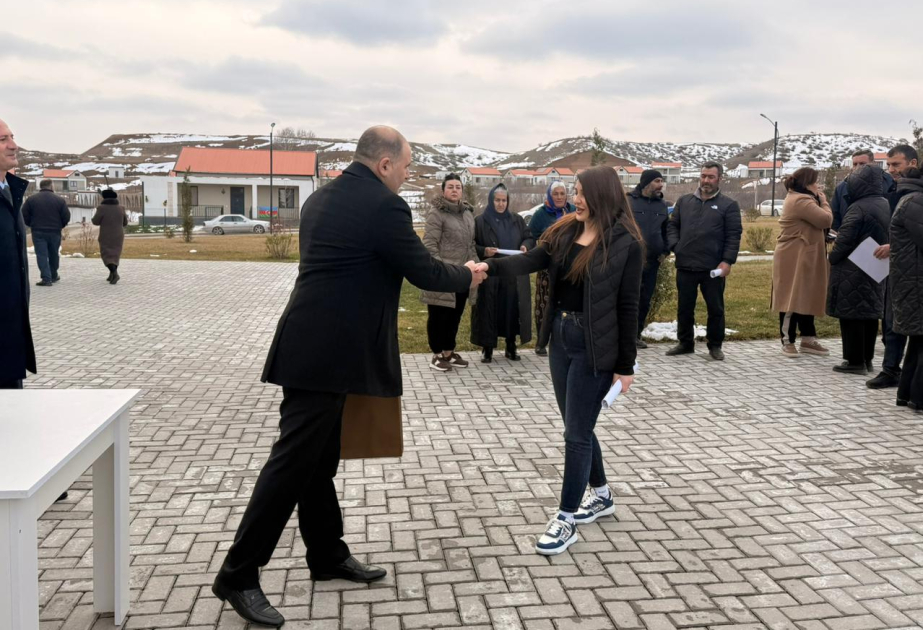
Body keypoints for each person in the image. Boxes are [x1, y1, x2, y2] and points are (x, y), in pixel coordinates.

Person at [212, 126, 484, 627]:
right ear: (383, 164)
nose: (406, 177)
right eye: (404, 167)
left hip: (308, 340)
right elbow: (423, 270)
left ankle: (326, 554)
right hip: (327, 352)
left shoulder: (322, 198)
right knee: (291, 465)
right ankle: (238, 573)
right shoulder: (384, 206)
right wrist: (468, 274)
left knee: (317, 462)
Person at [476, 165, 643, 555]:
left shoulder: (626, 244)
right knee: (577, 425)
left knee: (576, 434)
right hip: (562, 340)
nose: (576, 198)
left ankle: (566, 518)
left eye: (582, 193)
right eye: (574, 191)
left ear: (602, 195)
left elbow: (629, 307)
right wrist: (487, 267)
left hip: (594, 347)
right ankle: (601, 494)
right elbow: (530, 260)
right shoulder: (567, 230)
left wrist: (626, 366)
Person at [665, 162, 742, 361]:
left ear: (719, 179)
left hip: (713, 268)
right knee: (684, 307)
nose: (706, 180)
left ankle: (715, 345)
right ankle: (685, 343)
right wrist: (676, 246)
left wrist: (727, 261)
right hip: (686, 264)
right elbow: (672, 226)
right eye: (704, 176)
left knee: (715, 308)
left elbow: (733, 235)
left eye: (711, 177)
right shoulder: (684, 201)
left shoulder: (728, 205)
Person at [826, 165, 890, 374]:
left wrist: (832, 257)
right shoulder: (884, 203)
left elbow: (845, 239)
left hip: (852, 270)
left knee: (851, 315)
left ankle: (854, 361)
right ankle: (867, 359)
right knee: (870, 315)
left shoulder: (858, 207)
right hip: (875, 268)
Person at [867, 144, 920, 389]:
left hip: (912, 268)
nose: (891, 170)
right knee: (891, 318)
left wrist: (894, 245)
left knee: (908, 323)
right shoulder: (892, 187)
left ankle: (904, 376)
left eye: (896, 164)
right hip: (897, 267)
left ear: (913, 163)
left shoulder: (915, 194)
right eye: (888, 165)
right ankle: (891, 369)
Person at [771, 167, 833, 357]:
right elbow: (825, 219)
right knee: (791, 296)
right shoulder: (800, 200)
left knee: (808, 294)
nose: (818, 186)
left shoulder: (803, 198)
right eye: (815, 182)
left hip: (806, 254)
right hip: (793, 256)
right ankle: (787, 340)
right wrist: (824, 201)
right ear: (807, 184)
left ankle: (808, 338)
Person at [470, 183, 535, 362]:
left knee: (511, 308)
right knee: (489, 309)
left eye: (503, 200)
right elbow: (472, 244)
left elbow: (529, 237)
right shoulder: (481, 221)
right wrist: (484, 251)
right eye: (497, 200)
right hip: (489, 272)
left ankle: (510, 345)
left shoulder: (516, 220)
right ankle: (487, 348)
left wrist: (525, 246)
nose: (500, 204)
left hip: (511, 272)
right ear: (491, 201)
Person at [421, 173, 478, 371]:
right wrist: (439, 270)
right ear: (443, 190)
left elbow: (471, 244)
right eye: (451, 187)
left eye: (458, 187)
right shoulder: (437, 213)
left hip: (462, 274)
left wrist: (475, 267)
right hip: (443, 274)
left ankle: (448, 352)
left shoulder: (467, 214)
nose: (455, 190)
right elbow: (429, 244)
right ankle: (437, 354)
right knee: (439, 316)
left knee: (455, 315)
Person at [0, 118, 36, 390]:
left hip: (11, 338)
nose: (14, 146)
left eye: (11, 137)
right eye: (3, 140)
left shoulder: (12, 192)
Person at [889, 166, 923, 412]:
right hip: (916, 282)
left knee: (918, 341)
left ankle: (907, 394)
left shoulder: (911, 199)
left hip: (913, 281)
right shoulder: (915, 203)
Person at [529, 181, 576, 356]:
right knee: (544, 303)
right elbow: (529, 235)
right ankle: (541, 342)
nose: (559, 197)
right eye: (555, 194)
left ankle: (564, 338)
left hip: (570, 265)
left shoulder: (572, 211)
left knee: (565, 301)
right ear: (549, 195)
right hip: (548, 266)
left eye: (562, 194)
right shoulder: (541, 214)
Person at [627, 169, 670, 348]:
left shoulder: (662, 205)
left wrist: (665, 251)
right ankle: (624, 336)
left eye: (661, 181)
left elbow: (667, 230)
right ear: (646, 183)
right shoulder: (629, 201)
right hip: (631, 261)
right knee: (629, 299)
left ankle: (636, 335)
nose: (661, 184)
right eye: (657, 181)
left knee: (645, 299)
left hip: (653, 262)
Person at [21, 179, 70, 286]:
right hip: (54, 231)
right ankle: (53, 275)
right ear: (51, 186)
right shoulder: (59, 200)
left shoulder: (31, 199)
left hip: (38, 231)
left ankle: (46, 278)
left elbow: (24, 215)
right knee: (54, 254)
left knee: (41, 255)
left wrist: (32, 224)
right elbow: (66, 216)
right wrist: (60, 225)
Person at [831, 149, 895, 230]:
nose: (858, 167)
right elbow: (835, 216)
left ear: (873, 164)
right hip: (849, 237)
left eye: (862, 164)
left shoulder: (889, 184)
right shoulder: (841, 188)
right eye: (855, 164)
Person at [91, 189, 127, 284]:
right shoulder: (121, 208)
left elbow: (95, 221)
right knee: (115, 254)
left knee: (106, 254)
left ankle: (114, 273)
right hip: (119, 235)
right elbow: (125, 223)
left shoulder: (102, 208)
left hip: (106, 235)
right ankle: (112, 274)